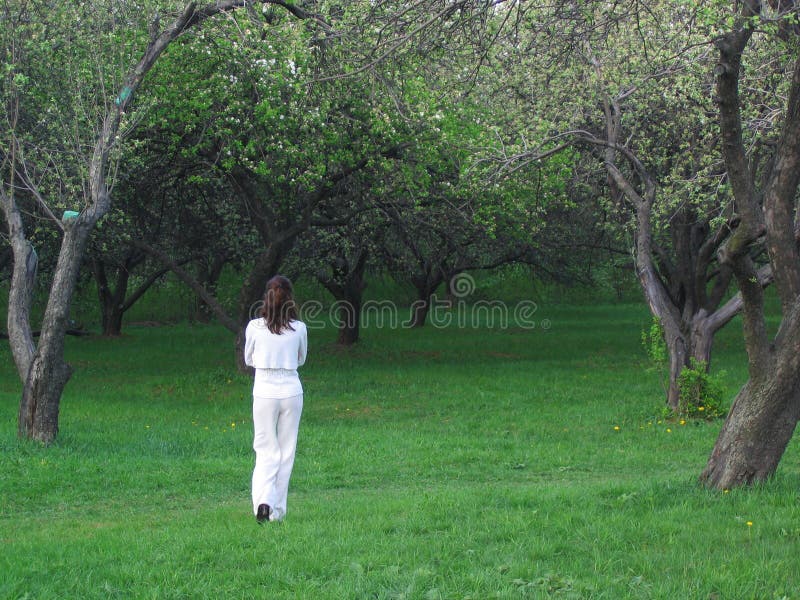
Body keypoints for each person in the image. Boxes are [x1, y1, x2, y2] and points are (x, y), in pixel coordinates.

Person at [244, 275, 307, 524]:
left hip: (264, 392)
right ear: (289, 297)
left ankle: (263, 501)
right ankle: (277, 512)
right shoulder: (299, 328)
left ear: (266, 296)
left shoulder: (254, 327)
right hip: (291, 390)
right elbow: (301, 359)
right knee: (285, 451)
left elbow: (249, 359)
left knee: (265, 450)